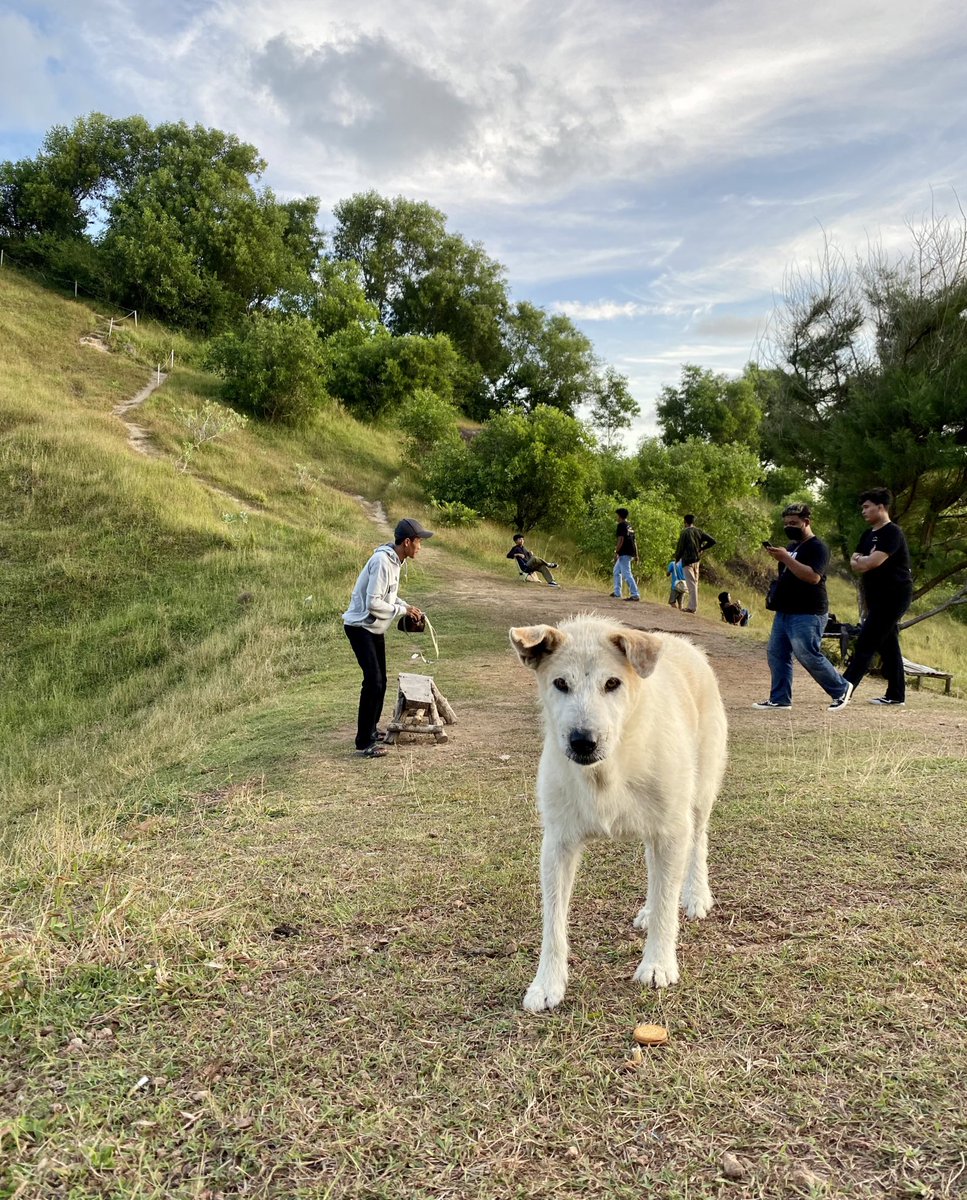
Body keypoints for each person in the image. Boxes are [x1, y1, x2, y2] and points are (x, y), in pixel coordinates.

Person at [342, 517, 432, 758]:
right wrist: (402, 611)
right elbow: (373, 603)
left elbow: (388, 596)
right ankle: (364, 742)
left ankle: (371, 731)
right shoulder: (383, 561)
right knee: (373, 681)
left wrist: (406, 605)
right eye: (418, 542)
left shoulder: (396, 561)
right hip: (360, 626)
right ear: (406, 542)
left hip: (374, 628)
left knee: (381, 681)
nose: (420, 547)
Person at [753, 503, 852, 711]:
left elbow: (813, 576)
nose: (789, 526)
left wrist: (786, 559)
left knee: (806, 653)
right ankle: (780, 698)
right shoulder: (791, 546)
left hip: (808, 612)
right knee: (776, 653)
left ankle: (841, 688)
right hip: (785, 610)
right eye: (786, 523)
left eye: (794, 523)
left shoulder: (818, 548)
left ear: (806, 522)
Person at [837, 488, 914, 707]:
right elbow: (855, 563)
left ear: (881, 507)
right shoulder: (867, 535)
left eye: (867, 506)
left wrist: (863, 560)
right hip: (876, 596)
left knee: (867, 641)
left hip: (895, 595)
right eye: (862, 507)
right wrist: (862, 560)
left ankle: (843, 690)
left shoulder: (892, 533)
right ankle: (896, 694)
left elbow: (871, 563)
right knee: (889, 644)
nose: (863, 511)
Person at [673, 515, 716, 613]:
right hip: (697, 560)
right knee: (695, 583)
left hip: (687, 561)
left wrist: (677, 558)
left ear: (685, 522)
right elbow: (712, 541)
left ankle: (692, 607)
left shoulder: (684, 532)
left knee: (691, 584)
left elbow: (680, 548)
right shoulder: (699, 531)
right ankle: (693, 606)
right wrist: (701, 549)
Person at [613, 507, 640, 601]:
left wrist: (616, 552)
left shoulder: (621, 525)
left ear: (620, 516)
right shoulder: (630, 526)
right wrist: (636, 554)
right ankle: (617, 592)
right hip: (630, 552)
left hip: (624, 553)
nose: (616, 518)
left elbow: (621, 540)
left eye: (617, 516)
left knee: (627, 574)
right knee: (616, 571)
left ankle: (635, 594)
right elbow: (634, 541)